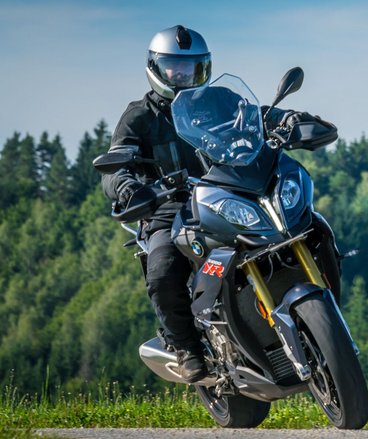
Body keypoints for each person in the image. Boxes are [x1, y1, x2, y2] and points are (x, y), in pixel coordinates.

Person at [102, 25, 290, 382]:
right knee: (162, 270)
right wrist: (125, 186)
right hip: (168, 208)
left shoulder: (219, 99)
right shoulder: (138, 117)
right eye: (174, 67)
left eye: (191, 67)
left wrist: (287, 119)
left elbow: (257, 117)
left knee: (294, 224)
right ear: (156, 69)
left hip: (228, 193)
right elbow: (115, 165)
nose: (182, 75)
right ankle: (186, 346)